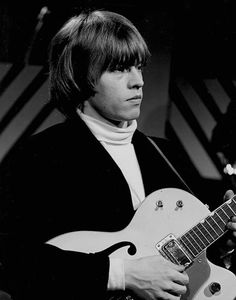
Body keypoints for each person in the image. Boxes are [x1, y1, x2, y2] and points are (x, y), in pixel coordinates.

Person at [0, 8, 236, 300]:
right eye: (120, 68)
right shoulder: (38, 157)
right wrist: (122, 274)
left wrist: (222, 242)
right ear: (79, 75)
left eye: (139, 67)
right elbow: (11, 262)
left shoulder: (167, 154)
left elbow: (181, 257)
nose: (138, 81)